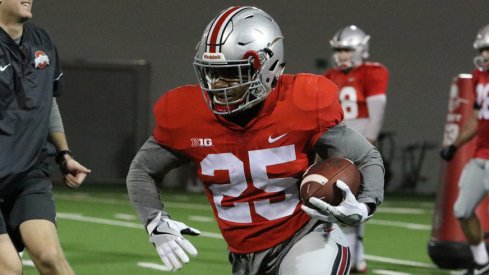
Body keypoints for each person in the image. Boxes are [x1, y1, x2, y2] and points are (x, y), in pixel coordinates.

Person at [126, 6, 384, 275]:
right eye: (210, 72)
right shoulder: (186, 114)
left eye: (230, 73)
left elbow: (366, 157)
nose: (216, 85)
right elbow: (142, 169)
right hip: (243, 256)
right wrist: (154, 219)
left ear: (267, 68)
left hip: (306, 239)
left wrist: (365, 204)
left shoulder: (303, 102)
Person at [0, 0, 91, 274]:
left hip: (29, 174)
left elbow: (47, 101)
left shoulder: (43, 40)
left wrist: (64, 154)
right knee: (9, 268)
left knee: (51, 258)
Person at [323, 25, 389, 273]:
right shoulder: (330, 75)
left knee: (356, 200)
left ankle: (351, 259)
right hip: (337, 143)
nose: (342, 55)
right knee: (340, 199)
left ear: (361, 49)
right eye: (339, 50)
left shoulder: (373, 72)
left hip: (360, 143)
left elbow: (377, 111)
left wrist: (369, 141)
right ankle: (354, 258)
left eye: (347, 49)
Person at [440, 23, 489, 275]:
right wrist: (455, 144)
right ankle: (482, 262)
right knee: (462, 209)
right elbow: (476, 117)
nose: (486, 55)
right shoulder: (480, 75)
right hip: (481, 153)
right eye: (483, 49)